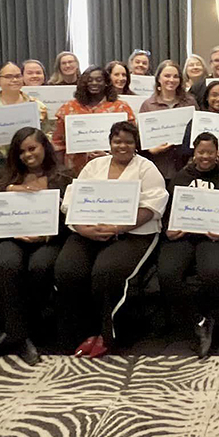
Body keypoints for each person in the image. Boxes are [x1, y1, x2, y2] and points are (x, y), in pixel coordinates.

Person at [55, 121, 168, 357]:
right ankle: (83, 332)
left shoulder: (146, 169)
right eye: (117, 141)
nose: (122, 146)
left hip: (133, 233)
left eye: (128, 141)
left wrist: (117, 227)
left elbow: (151, 207)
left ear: (136, 144)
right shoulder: (94, 166)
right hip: (88, 231)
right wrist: (83, 228)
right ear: (110, 143)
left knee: (105, 272)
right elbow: (71, 201)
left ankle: (109, 334)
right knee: (68, 269)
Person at [0, 128, 73, 365]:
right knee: (7, 264)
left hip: (48, 239)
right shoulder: (4, 176)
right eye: (21, 151)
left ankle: (23, 329)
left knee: (40, 266)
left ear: (44, 147)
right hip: (10, 237)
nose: (27, 155)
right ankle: (18, 335)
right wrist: (7, 192)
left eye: (32, 148)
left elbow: (71, 218)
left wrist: (44, 237)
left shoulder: (63, 177)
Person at [159, 132, 219, 358]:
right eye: (201, 152)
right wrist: (170, 227)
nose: (205, 156)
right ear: (194, 153)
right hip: (184, 235)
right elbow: (168, 212)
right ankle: (198, 319)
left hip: (216, 237)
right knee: (167, 273)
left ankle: (211, 318)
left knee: (214, 272)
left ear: (217, 153)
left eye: (210, 152)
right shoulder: (180, 177)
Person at [52, 66, 136, 177]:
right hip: (74, 172)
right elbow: (57, 143)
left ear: (106, 82)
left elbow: (132, 140)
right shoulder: (68, 108)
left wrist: (107, 154)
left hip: (114, 170)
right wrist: (61, 171)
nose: (94, 83)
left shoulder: (121, 107)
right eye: (89, 80)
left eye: (99, 80)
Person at [0, 61, 49, 182]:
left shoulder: (37, 106)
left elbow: (48, 134)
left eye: (18, 76)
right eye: (8, 76)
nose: (14, 80)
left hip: (32, 164)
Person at [137, 60, 195, 179]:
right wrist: (151, 150)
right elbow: (140, 139)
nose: (171, 80)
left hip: (185, 166)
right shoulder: (148, 105)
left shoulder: (190, 102)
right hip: (158, 166)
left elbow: (197, 131)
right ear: (158, 78)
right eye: (167, 76)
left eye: (175, 76)